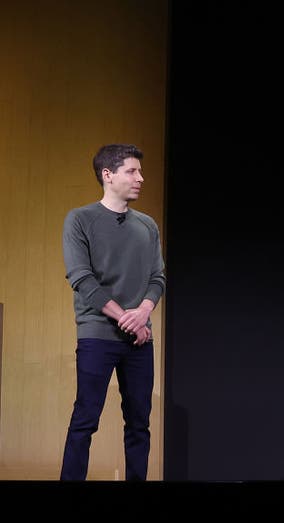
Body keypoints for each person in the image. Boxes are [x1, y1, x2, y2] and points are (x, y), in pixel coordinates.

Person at [60, 144, 166, 481]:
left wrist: (144, 310)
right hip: (98, 336)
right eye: (132, 171)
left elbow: (157, 277)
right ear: (108, 175)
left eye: (140, 171)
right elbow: (82, 279)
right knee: (85, 419)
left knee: (139, 424)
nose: (140, 178)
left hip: (139, 340)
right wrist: (128, 319)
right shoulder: (80, 219)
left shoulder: (147, 225)